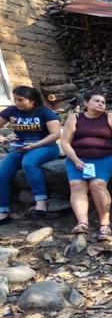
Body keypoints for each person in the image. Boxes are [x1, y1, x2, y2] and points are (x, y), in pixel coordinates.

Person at [61, 91, 112, 240]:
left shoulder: (110, 117)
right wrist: (75, 160)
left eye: (103, 102)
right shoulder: (74, 118)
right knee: (76, 185)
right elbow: (65, 142)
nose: (101, 104)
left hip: (103, 158)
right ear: (86, 103)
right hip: (78, 158)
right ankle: (82, 223)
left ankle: (105, 224)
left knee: (97, 185)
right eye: (97, 101)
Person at [0, 86, 60, 223]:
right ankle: (2, 211)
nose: (17, 103)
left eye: (21, 100)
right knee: (2, 172)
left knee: (28, 163)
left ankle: (41, 201)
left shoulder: (45, 112)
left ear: (33, 101)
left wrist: (35, 145)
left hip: (46, 147)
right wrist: (4, 138)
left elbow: (56, 134)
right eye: (15, 99)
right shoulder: (11, 111)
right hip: (20, 148)